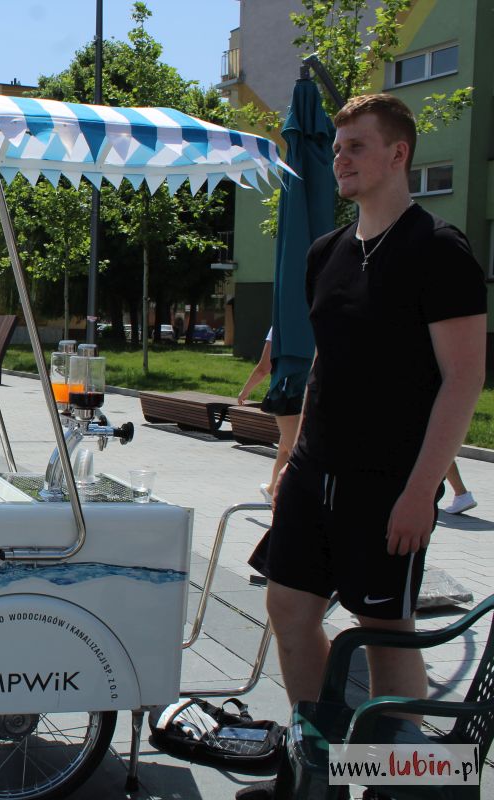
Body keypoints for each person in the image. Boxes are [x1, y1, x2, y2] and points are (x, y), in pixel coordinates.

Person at [239, 94, 486, 799]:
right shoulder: (327, 253)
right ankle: (320, 770)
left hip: (389, 483)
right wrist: (288, 465)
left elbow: (464, 380)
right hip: (317, 473)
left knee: (386, 631)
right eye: (337, 147)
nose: (341, 158)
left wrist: (421, 491)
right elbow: (324, 366)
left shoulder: (438, 250)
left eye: (356, 147)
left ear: (398, 154)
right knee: (289, 609)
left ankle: (396, 786)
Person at [237, 327, 303, 504]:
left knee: (296, 454)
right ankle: (272, 489)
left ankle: (286, 502)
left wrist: (245, 391)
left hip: (292, 395)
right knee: (284, 445)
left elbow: (264, 367)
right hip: (314, 392)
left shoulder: (279, 326)